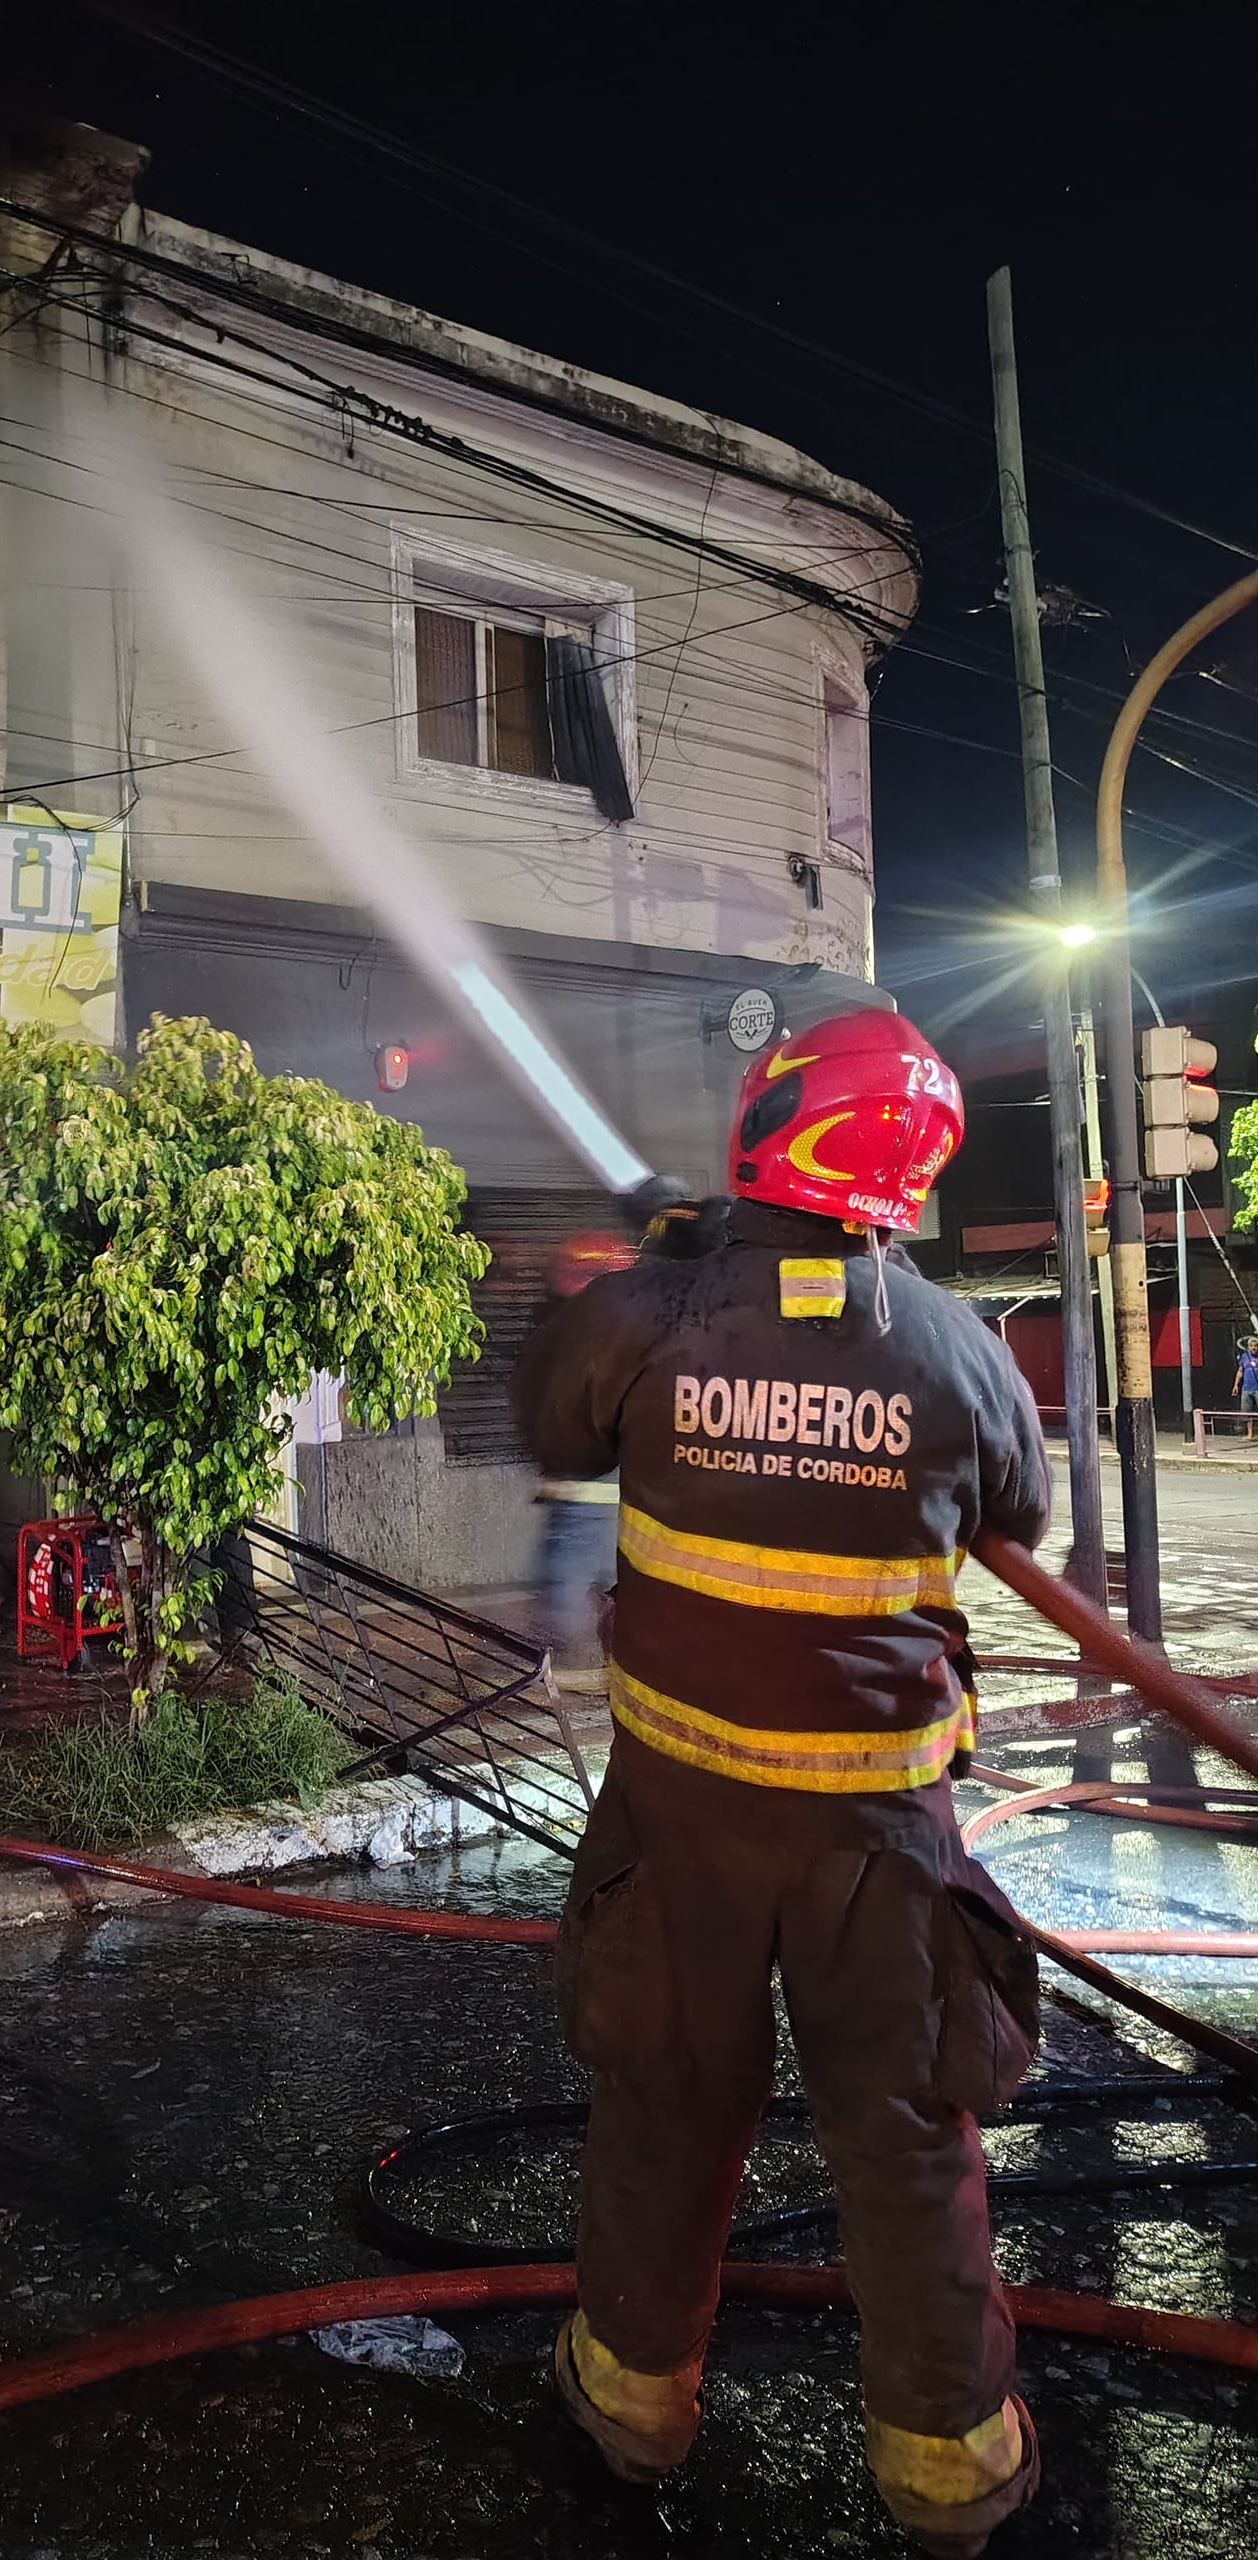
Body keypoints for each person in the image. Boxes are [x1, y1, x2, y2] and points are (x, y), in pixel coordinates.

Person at [513, 1007, 1049, 2559]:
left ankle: (634, 2399)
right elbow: (1016, 1505)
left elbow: (554, 1412)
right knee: (904, 2128)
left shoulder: (655, 1315)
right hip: (882, 1831)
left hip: (680, 1815)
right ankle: (947, 2462)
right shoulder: (958, 1348)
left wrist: (673, 1267)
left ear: (770, 1126)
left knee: (670, 2100)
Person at [532, 1234, 636, 1670]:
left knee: (566, 1574)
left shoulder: (568, 1334)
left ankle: (565, 1663)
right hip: (618, 1485)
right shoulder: (631, 1330)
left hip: (582, 1481)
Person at [1234, 1334, 1258, 1438]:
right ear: (1248, 1347)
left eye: (1255, 1345)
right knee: (1247, 1413)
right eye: (1251, 1346)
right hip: (1246, 1389)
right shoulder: (1244, 1357)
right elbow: (1240, 1372)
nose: (1253, 1347)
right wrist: (1236, 1385)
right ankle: (1250, 1434)